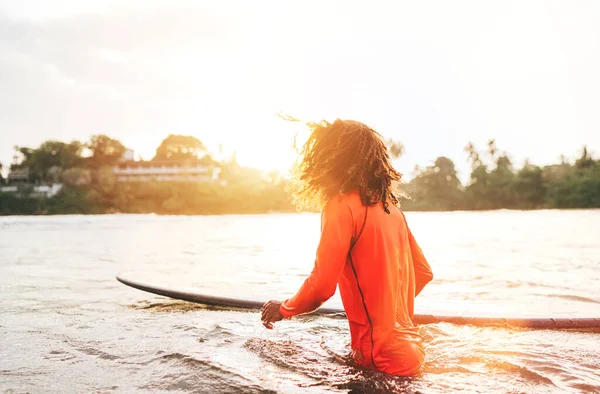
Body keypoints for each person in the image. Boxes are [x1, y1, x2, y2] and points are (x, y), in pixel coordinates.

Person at [261, 119, 434, 377]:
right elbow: (423, 273)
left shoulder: (341, 207)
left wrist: (283, 308)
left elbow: (321, 287)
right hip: (413, 352)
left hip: (380, 361)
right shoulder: (392, 210)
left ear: (331, 160)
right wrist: (385, 313)